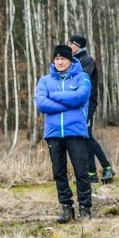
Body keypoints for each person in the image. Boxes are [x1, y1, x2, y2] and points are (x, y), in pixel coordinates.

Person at [35, 44, 92, 223]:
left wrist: (54, 95)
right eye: (57, 59)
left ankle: (85, 208)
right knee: (59, 172)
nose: (59, 62)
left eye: (63, 59)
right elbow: (41, 104)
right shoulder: (45, 81)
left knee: (81, 171)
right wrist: (68, 102)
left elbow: (80, 97)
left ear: (70, 60)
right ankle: (67, 208)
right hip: (53, 132)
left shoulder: (82, 77)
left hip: (75, 131)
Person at [69, 34, 114, 183]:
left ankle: (107, 168)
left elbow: (80, 80)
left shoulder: (87, 60)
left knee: (87, 135)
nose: (69, 45)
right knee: (84, 136)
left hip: (89, 103)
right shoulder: (75, 61)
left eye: (71, 43)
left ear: (78, 45)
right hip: (79, 104)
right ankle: (91, 173)